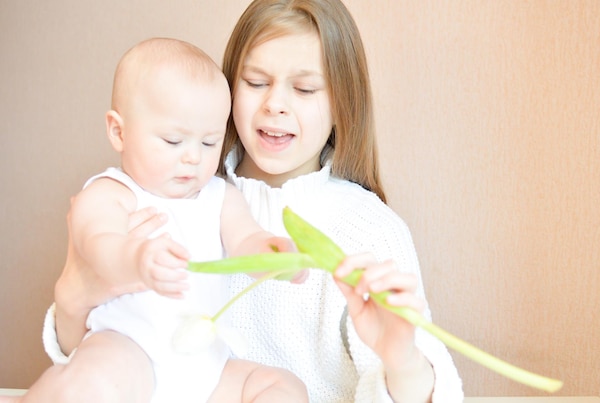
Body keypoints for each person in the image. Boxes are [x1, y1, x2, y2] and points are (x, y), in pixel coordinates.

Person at [42, 0, 465, 402]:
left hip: (214, 378)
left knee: (281, 386)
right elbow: (78, 357)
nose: (275, 105)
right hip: (133, 368)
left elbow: (250, 242)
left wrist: (401, 358)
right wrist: (75, 294)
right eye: (255, 82)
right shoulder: (164, 190)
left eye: (304, 88)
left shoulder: (368, 229)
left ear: (342, 103)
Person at [2, 37, 308, 403]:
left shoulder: (220, 197)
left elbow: (247, 240)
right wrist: (135, 259)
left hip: (205, 366)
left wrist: (275, 255)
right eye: (173, 141)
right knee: (88, 383)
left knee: (283, 387)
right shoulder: (111, 192)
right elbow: (98, 244)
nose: (193, 157)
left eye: (209, 143)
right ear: (119, 131)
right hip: (128, 348)